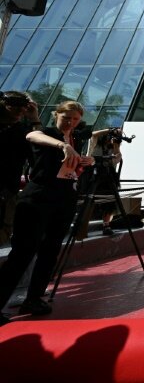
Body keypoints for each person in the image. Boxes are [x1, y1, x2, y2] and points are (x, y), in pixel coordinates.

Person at [0, 100, 92, 325]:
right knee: (23, 252)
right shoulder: (46, 133)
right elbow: (32, 137)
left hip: (64, 200)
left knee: (50, 251)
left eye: (75, 119)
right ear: (56, 115)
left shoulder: (77, 138)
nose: (70, 122)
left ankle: (34, 298)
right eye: (66, 117)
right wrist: (63, 146)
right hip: (38, 199)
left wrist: (87, 160)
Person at [0, 91, 41, 246]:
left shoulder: (23, 130)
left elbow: (39, 155)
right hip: (7, 189)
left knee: (3, 231)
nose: (21, 111)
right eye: (15, 106)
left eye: (24, 107)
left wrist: (35, 119)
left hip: (7, 190)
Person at [84, 128, 124, 237]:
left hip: (108, 176)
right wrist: (109, 130)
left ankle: (106, 225)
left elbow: (116, 159)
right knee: (89, 201)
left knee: (109, 202)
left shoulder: (113, 148)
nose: (110, 139)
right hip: (93, 174)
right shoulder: (95, 144)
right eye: (109, 137)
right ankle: (83, 227)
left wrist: (117, 145)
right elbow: (93, 134)